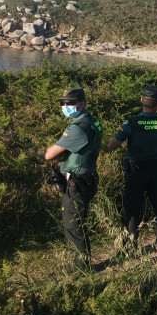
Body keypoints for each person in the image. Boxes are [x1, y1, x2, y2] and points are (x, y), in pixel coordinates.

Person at [107, 86, 157, 253]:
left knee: (133, 208)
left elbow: (112, 145)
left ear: (142, 100)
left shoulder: (131, 122)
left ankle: (131, 244)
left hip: (136, 171)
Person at [44, 87, 103, 270]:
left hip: (77, 181)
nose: (65, 106)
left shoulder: (78, 128)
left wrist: (57, 154)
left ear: (82, 103)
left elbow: (49, 154)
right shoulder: (93, 122)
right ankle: (82, 262)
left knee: (73, 225)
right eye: (63, 103)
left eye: (70, 102)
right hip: (88, 176)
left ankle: (81, 268)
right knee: (78, 222)